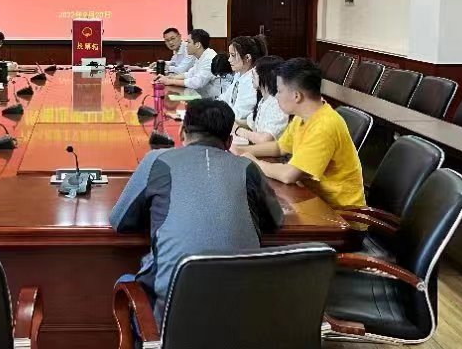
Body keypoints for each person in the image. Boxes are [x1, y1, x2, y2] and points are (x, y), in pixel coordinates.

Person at [110, 99, 283, 326]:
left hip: (172, 325)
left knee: (126, 280)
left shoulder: (155, 160)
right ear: (229, 141)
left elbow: (120, 221)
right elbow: (275, 220)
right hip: (243, 322)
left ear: (182, 132)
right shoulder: (248, 168)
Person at [238, 58, 365, 209]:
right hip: (313, 198)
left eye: (279, 91)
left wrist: (254, 163)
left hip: (340, 214)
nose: (276, 96)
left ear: (296, 96)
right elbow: (280, 147)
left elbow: (289, 175)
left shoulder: (324, 125)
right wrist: (242, 150)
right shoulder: (303, 116)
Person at [234, 56, 289, 145]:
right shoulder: (263, 100)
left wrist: (238, 130)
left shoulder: (277, 104)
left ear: (265, 76)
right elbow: (251, 122)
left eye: (255, 73)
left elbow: (265, 139)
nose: (252, 76)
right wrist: (231, 121)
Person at [154, 29, 220, 98]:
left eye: (188, 42)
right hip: (202, 96)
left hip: (214, 100)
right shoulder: (201, 56)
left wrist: (169, 81)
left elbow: (197, 82)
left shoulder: (210, 58)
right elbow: (189, 74)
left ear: (197, 45)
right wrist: (170, 78)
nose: (186, 45)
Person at [219, 35, 268, 122]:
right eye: (229, 55)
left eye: (233, 55)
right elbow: (226, 97)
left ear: (247, 57)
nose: (229, 59)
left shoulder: (253, 80)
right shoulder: (239, 74)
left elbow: (239, 114)